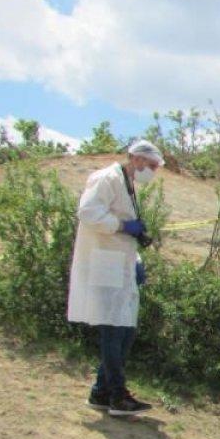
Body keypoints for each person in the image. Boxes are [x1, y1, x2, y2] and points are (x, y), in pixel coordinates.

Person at [67, 139, 163, 416]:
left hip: (120, 263)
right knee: (114, 330)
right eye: (152, 166)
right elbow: (87, 213)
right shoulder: (107, 178)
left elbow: (122, 231)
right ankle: (118, 396)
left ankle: (101, 392)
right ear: (136, 159)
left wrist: (136, 259)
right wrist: (123, 225)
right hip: (105, 264)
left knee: (125, 329)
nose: (153, 171)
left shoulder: (126, 182)